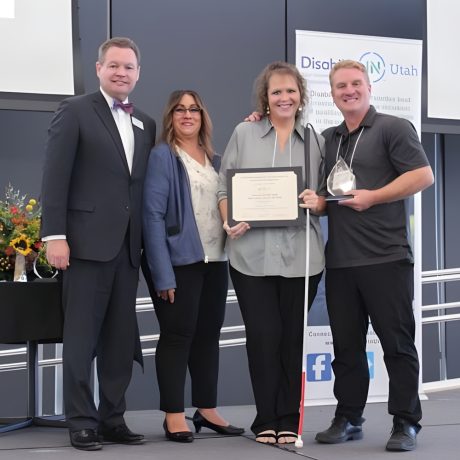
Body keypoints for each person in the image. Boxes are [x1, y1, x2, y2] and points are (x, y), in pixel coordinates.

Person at [40, 37, 156, 451]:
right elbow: (55, 176)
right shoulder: (74, 111)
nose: (121, 72)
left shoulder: (145, 121)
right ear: (98, 69)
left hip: (127, 249)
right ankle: (81, 420)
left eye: (129, 66)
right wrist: (55, 236)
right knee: (82, 338)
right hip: (84, 246)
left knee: (119, 340)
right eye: (114, 65)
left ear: (138, 73)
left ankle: (112, 417)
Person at [314, 60, 434, 452]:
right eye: (340, 86)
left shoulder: (393, 128)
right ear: (331, 93)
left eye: (355, 84)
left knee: (397, 345)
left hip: (386, 257)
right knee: (346, 348)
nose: (348, 91)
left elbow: (422, 175)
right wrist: (316, 202)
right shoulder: (330, 139)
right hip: (342, 261)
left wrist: (374, 197)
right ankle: (349, 417)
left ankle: (405, 422)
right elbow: (328, 196)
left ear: (368, 87)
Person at [217, 61, 326, 444]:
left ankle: (288, 419)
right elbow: (223, 188)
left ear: (301, 96)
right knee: (263, 336)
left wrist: (319, 201)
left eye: (291, 91)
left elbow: (327, 197)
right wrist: (229, 222)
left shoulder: (317, 139)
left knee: (291, 339)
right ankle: (265, 416)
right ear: (265, 97)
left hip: (303, 258)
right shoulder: (244, 132)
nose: (284, 97)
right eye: (276, 91)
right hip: (249, 257)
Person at [142, 90, 244, 443]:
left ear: (202, 116)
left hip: (216, 260)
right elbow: (152, 217)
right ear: (170, 116)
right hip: (179, 262)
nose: (187, 115)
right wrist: (162, 273)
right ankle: (173, 414)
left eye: (194, 109)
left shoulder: (214, 159)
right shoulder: (162, 156)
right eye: (179, 110)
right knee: (177, 336)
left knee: (207, 337)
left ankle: (206, 408)